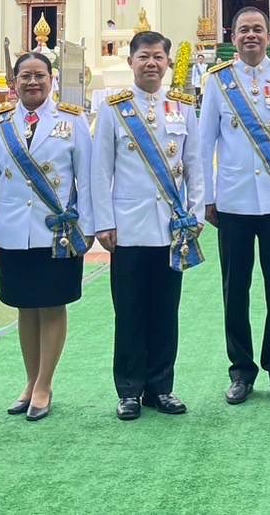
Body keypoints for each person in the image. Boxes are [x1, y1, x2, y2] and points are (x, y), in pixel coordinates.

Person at [201, 6, 270, 406]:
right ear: (231, 36)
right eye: (243, 30)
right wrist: (207, 198)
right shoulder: (217, 81)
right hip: (232, 202)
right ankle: (241, 370)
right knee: (235, 289)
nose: (251, 35)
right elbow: (204, 144)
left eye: (258, 29)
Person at [91, 30, 204, 421]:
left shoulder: (183, 108)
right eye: (144, 57)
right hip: (128, 226)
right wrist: (103, 222)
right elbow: (99, 170)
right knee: (130, 309)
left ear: (168, 62)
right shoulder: (113, 109)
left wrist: (196, 214)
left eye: (158, 56)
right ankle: (128, 390)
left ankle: (161, 387)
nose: (151, 63)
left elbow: (195, 165)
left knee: (165, 309)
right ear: (131, 62)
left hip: (171, 227)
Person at [0, 51, 94, 423]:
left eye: (40, 76)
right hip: (13, 229)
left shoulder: (72, 122)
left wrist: (87, 227)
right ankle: (30, 382)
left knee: (52, 304)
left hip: (57, 230)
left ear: (51, 80)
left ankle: (45, 383)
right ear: (13, 82)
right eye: (25, 76)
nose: (33, 82)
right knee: (25, 306)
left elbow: (86, 180)